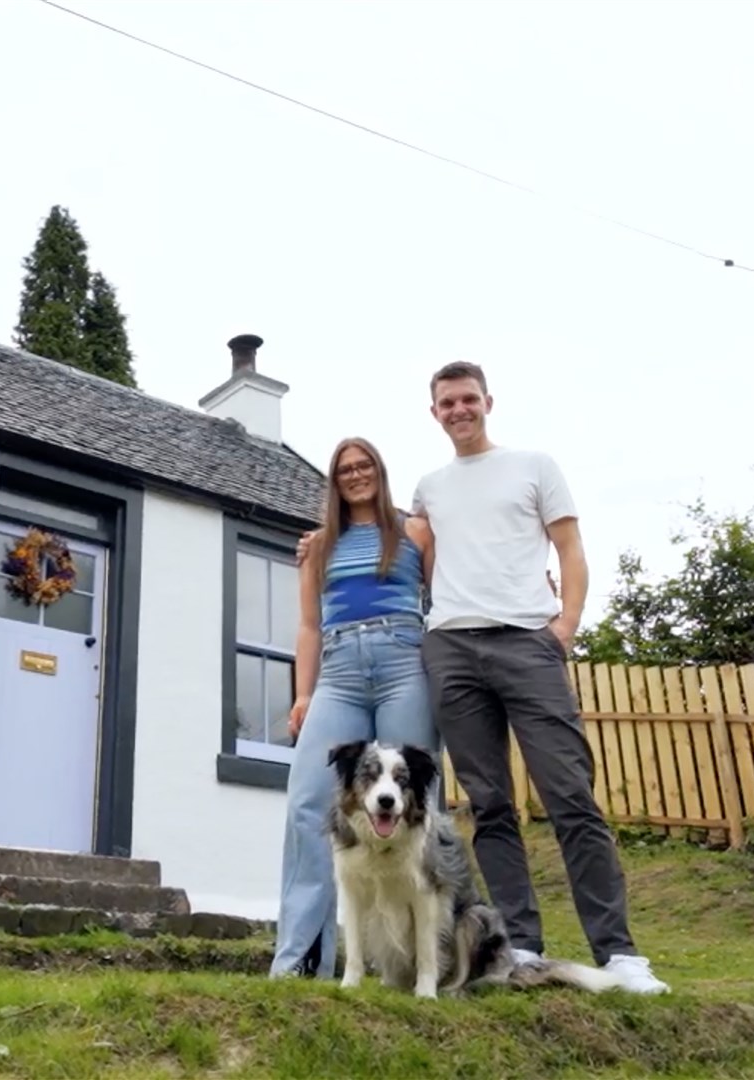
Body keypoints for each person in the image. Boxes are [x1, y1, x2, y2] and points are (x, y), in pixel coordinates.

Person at [302, 361, 668, 994]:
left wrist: (566, 625)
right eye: (447, 402)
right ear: (434, 412)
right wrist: (321, 542)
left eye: (468, 399)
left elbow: (571, 550)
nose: (458, 410)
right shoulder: (430, 489)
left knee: (570, 797)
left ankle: (620, 953)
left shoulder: (534, 466)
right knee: (490, 806)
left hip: (527, 640)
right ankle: (521, 943)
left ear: (487, 402)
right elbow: (393, 538)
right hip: (449, 649)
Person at [269, 437, 438, 980]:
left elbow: (448, 596)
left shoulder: (414, 531)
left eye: (365, 466)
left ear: (380, 472)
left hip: (403, 662)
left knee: (421, 807)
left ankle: (424, 962)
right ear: (335, 481)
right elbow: (309, 625)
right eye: (346, 469)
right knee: (308, 805)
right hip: (339, 669)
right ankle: (299, 960)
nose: (356, 475)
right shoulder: (319, 545)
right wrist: (303, 693)